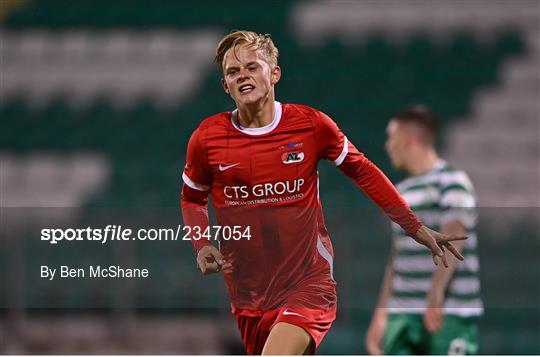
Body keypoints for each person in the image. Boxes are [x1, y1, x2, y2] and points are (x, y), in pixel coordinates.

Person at [181, 30, 465, 355]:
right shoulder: (207, 139)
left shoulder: (311, 125)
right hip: (249, 294)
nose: (243, 75)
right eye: (233, 71)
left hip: (308, 284)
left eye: (252, 66)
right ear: (225, 85)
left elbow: (364, 171)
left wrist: (413, 226)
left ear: (274, 73)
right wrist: (202, 245)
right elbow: (192, 197)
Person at [365, 106, 483, 355]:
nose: (388, 145)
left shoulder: (453, 182)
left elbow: (454, 239)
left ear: (409, 138)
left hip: (447, 313)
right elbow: (397, 258)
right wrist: (381, 313)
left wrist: (436, 290)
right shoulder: (401, 191)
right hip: (402, 313)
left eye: (392, 136)